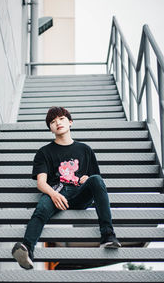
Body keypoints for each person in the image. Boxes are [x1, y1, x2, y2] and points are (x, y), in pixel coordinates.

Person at [12, 106, 121, 269]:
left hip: (80, 194)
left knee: (97, 180)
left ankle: (108, 236)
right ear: (50, 128)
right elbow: (41, 183)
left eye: (61, 119)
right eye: (53, 122)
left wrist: (87, 179)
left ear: (70, 122)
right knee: (41, 209)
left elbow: (95, 181)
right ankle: (27, 250)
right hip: (56, 192)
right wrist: (54, 195)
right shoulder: (44, 152)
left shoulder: (85, 149)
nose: (58, 123)